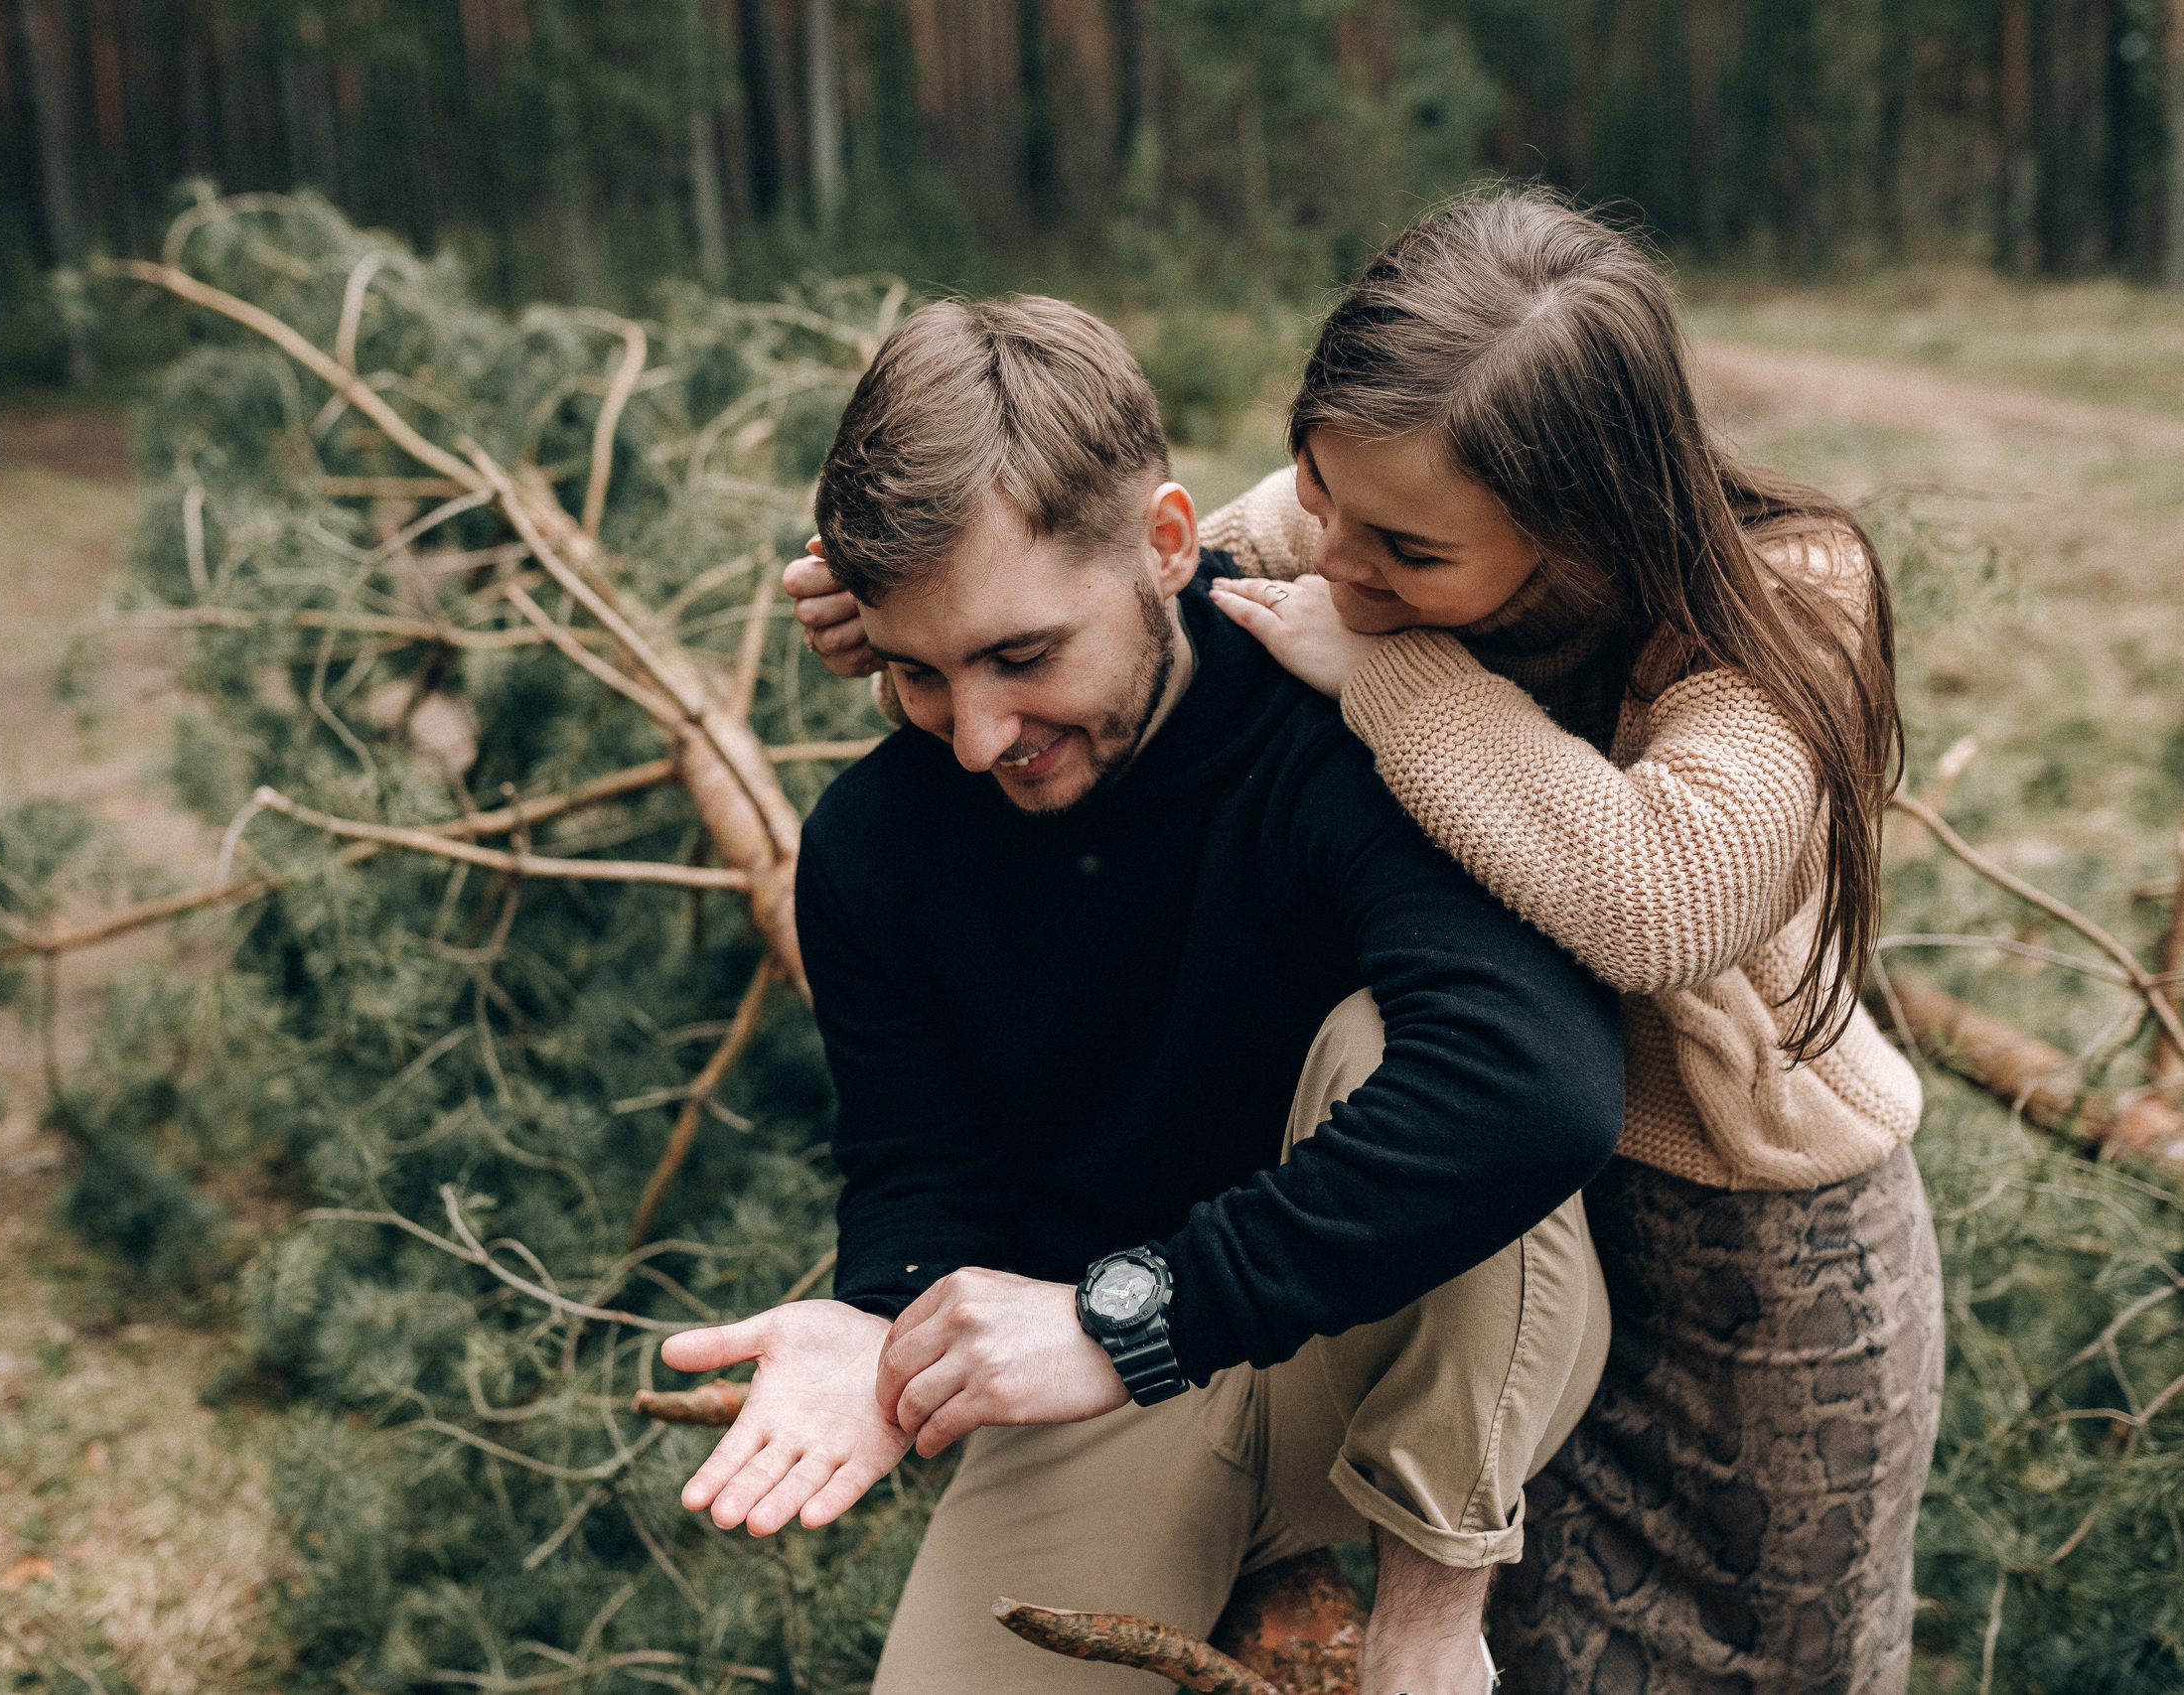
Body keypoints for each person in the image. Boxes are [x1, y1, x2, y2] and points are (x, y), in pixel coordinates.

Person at [785, 194, 1944, 1694]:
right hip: (1463, 1223)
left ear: (1583, 518)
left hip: (1744, 1245)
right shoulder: (1367, 523)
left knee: (1763, 1666)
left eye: (1398, 547)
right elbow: (1154, 584)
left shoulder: (1788, 604)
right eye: (1322, 497)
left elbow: (1664, 904)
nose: (1334, 563)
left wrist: (1388, 685)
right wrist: (910, 628)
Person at [661, 293, 1629, 1694]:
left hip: (1383, 1342)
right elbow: (919, 1168)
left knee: (1397, 1050)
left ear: (1168, 545)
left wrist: (1143, 1310)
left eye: (1022, 655)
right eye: (921, 674)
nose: (980, 735)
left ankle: (1434, 1641)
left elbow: (1538, 1089)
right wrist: (881, 1323)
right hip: (1109, 1385)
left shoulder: (1346, 729)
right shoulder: (873, 846)